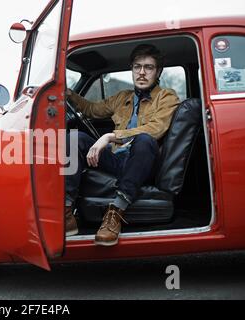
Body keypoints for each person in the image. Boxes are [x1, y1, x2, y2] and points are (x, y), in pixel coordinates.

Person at [65, 44, 180, 246]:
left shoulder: (167, 97)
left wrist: (111, 136)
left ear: (158, 72)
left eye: (149, 67)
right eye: (137, 67)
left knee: (144, 139)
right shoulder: (123, 97)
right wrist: (67, 94)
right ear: (132, 69)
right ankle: (66, 213)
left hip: (145, 162)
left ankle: (115, 213)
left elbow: (156, 128)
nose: (142, 73)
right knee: (75, 138)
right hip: (118, 159)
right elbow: (91, 109)